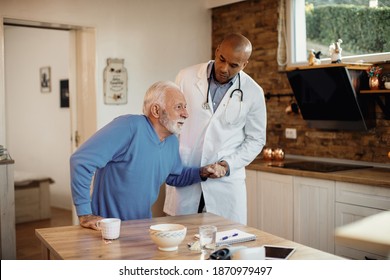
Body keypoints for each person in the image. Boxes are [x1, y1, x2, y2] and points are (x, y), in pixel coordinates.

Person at [70, 81, 225, 230]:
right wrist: (85, 213)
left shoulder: (171, 141)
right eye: (178, 107)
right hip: (106, 228)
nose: (186, 114)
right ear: (156, 110)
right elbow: (82, 161)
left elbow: (174, 176)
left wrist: (202, 172)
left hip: (142, 228)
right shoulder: (129, 126)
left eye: (185, 107)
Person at [164, 33, 267, 225]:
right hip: (187, 171)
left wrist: (227, 165)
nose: (223, 68)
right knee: (183, 243)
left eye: (234, 65)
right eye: (222, 59)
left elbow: (256, 140)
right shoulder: (185, 77)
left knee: (225, 243)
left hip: (225, 183)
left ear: (245, 64)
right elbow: (171, 121)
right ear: (217, 50)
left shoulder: (253, 92)